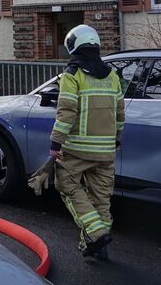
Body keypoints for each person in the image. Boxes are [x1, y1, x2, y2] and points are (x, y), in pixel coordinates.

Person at [49, 24, 125, 261]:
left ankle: (95, 232)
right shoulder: (112, 76)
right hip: (106, 152)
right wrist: (116, 140)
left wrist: (55, 143)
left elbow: (66, 111)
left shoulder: (73, 74)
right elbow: (120, 115)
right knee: (101, 199)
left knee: (67, 186)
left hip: (77, 150)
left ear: (74, 45)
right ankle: (96, 246)